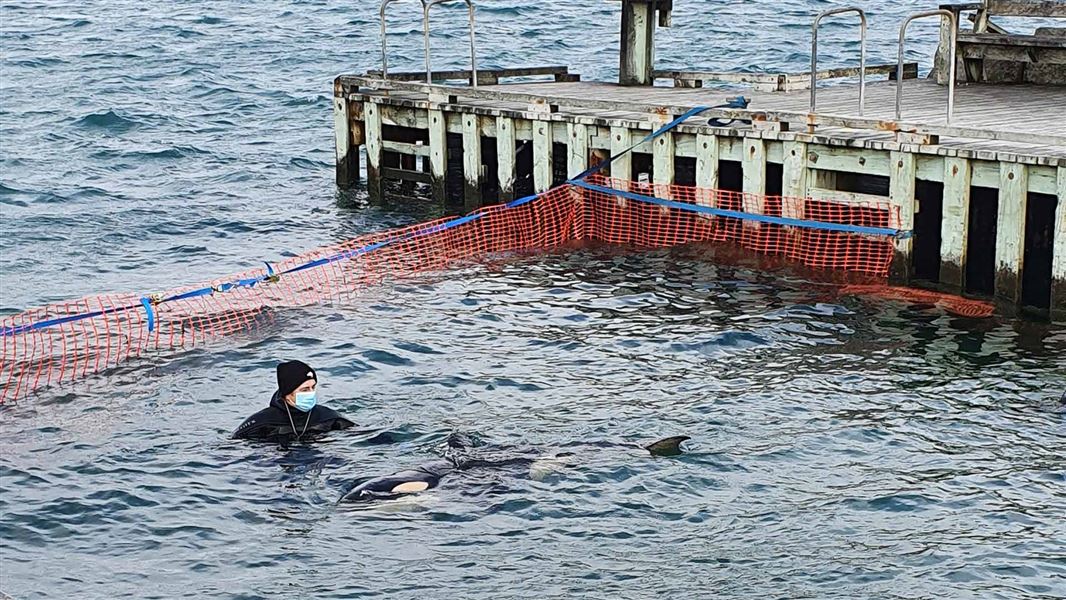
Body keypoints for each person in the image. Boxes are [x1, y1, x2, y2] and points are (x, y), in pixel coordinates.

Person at [233, 360, 354, 443]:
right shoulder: (261, 422)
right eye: (305, 389)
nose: (311, 393)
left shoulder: (330, 417)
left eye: (313, 387)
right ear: (287, 393)